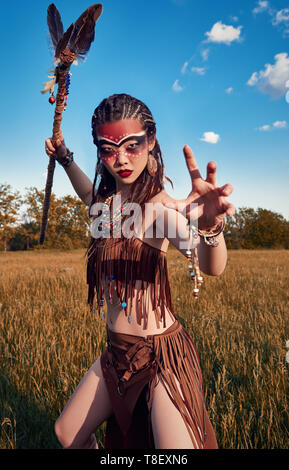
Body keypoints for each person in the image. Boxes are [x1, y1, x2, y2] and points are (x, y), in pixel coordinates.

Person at [45, 93, 235, 450]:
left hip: (160, 356)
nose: (121, 159)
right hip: (116, 353)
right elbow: (87, 193)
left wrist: (211, 227)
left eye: (132, 145)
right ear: (99, 152)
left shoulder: (159, 208)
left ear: (151, 142)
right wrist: (66, 158)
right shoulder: (105, 206)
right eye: (108, 148)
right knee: (67, 434)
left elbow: (213, 267)